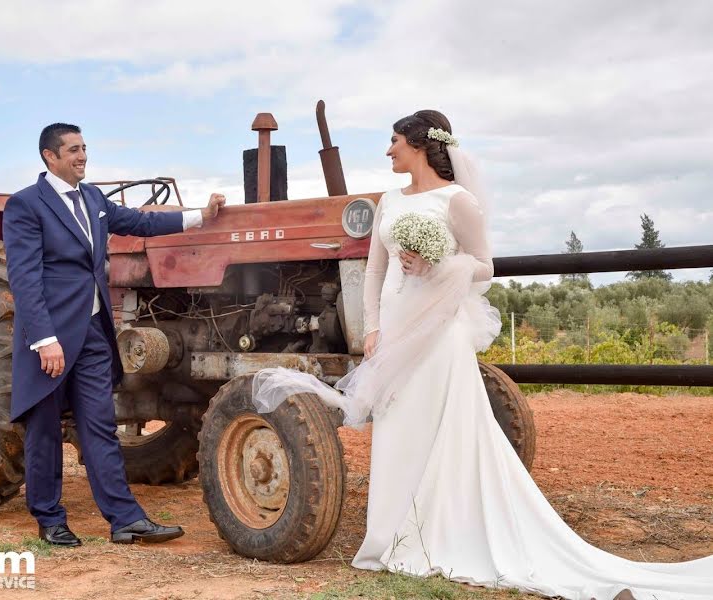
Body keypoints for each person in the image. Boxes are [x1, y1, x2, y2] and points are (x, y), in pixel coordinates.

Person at [253, 111, 713, 599]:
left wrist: (438, 264)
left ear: (418, 145)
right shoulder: (388, 200)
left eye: (393, 142)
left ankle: (440, 536)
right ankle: (390, 539)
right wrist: (372, 329)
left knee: (437, 427)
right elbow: (373, 270)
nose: (388, 151)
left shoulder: (458, 201)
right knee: (398, 427)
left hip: (437, 334)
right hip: (394, 330)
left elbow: (484, 267)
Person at [3, 123, 226, 547]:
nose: (82, 156)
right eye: (73, 150)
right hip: (49, 337)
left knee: (100, 426)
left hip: (91, 331)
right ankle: (50, 518)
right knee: (45, 428)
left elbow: (141, 222)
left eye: (84, 148)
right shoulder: (26, 206)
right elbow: (25, 278)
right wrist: (43, 339)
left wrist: (201, 215)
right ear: (50, 157)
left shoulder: (93, 199)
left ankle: (125, 519)